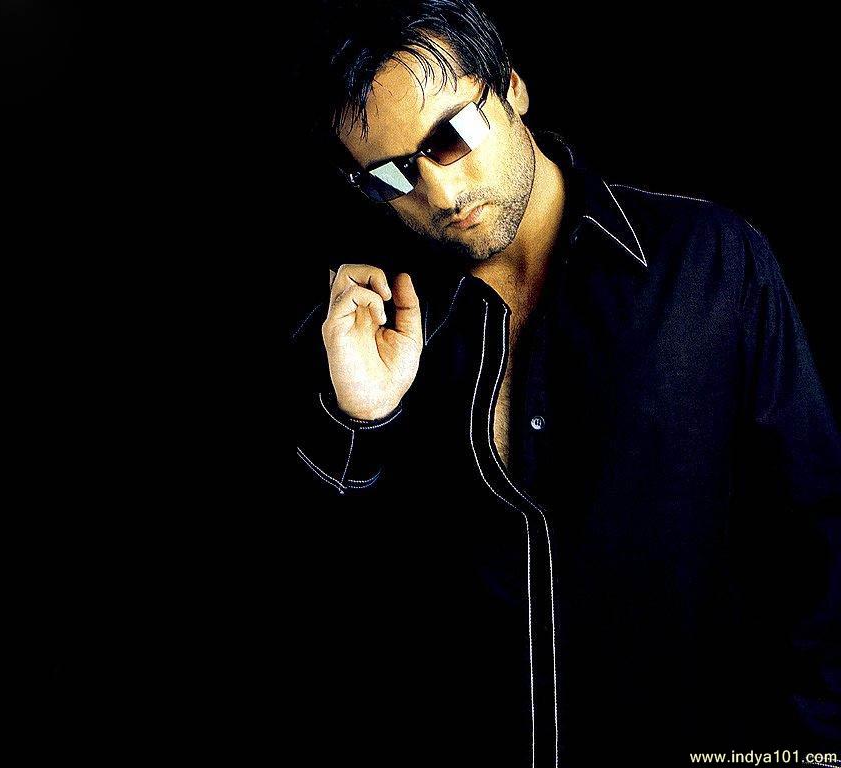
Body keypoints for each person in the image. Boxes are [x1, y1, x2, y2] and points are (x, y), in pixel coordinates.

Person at [281, 1, 840, 764]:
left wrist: (807, 752)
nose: (439, 192)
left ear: (512, 89)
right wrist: (360, 418)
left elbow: (814, 539)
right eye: (391, 173)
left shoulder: (709, 261)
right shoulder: (360, 327)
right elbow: (330, 611)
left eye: (450, 136)